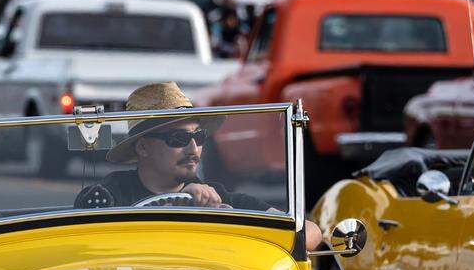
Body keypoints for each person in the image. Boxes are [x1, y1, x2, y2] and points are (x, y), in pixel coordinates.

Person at [74, 82, 323, 249]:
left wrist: (228, 217)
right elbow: (85, 244)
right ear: (142, 147)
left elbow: (309, 232)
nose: (193, 149)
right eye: (178, 139)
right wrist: (177, 203)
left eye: (199, 137)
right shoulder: (111, 194)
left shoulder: (217, 197)